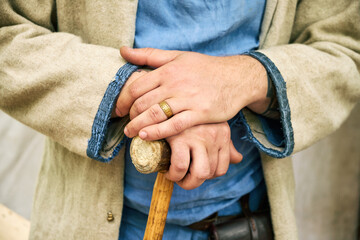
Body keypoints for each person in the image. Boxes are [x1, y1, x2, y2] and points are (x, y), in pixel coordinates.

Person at [0, 0, 359, 240]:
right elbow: (7, 34)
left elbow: (344, 45)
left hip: (253, 221)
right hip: (98, 226)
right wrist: (149, 93)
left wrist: (238, 79)